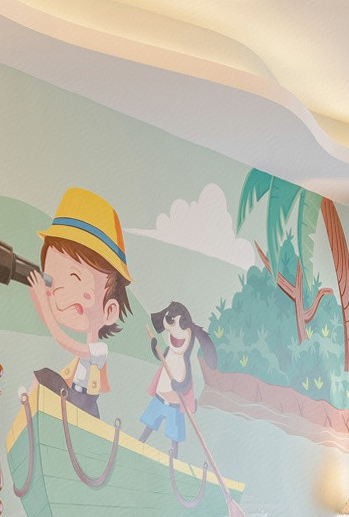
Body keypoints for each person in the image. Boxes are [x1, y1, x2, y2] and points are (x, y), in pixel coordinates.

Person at [23, 188, 132, 415]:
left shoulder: (99, 350)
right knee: (42, 382)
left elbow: (66, 342)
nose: (57, 291)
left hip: (84, 405)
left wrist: (44, 307)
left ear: (109, 311)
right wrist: (39, 298)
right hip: (71, 397)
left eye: (75, 277)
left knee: (44, 378)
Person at [138, 300, 215, 452]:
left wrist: (179, 386)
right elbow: (160, 357)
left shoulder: (184, 362)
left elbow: (185, 382)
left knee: (174, 434)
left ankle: (173, 455)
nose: (174, 335)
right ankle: (140, 442)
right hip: (159, 399)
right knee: (149, 423)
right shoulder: (169, 352)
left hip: (173, 405)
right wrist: (154, 347)